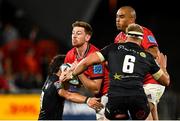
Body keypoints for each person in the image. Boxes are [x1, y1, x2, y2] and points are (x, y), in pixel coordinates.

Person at [61, 23, 170, 120]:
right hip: (137, 98)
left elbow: (85, 63)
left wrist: (72, 73)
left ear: (126, 35)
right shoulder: (147, 57)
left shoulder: (112, 48)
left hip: (115, 97)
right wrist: (163, 68)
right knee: (148, 110)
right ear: (141, 39)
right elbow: (165, 82)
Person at [115, 6, 166, 120]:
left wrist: (130, 46)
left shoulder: (142, 32)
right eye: (117, 17)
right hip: (137, 84)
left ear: (132, 19)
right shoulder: (118, 38)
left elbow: (154, 53)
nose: (117, 19)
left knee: (141, 112)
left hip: (152, 81)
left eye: (122, 17)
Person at [63, 21, 109, 120]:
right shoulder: (70, 55)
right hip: (97, 98)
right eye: (73, 33)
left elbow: (96, 88)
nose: (74, 36)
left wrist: (78, 71)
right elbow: (68, 87)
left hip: (108, 95)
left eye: (78, 33)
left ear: (87, 37)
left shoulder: (95, 57)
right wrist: (64, 78)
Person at [38, 54, 103, 120]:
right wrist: (87, 100)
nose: (71, 69)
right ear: (63, 67)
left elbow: (66, 87)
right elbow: (67, 95)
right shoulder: (56, 82)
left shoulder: (51, 78)